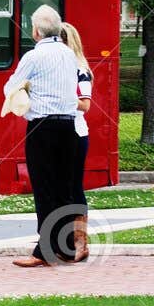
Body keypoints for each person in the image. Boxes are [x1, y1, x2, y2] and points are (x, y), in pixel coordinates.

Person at [1, 5, 83, 268]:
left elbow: (10, 86)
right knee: (63, 188)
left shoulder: (34, 57)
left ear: (36, 31)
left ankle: (44, 250)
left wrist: (27, 89)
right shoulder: (69, 55)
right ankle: (66, 246)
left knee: (44, 188)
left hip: (42, 127)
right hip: (68, 126)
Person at [60, 21, 95, 262]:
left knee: (73, 187)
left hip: (75, 132)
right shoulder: (62, 68)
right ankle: (65, 239)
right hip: (62, 131)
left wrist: (60, 96)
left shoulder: (80, 70)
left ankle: (81, 240)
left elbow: (85, 104)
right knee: (62, 187)